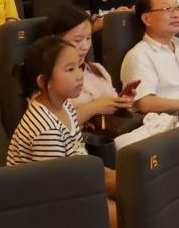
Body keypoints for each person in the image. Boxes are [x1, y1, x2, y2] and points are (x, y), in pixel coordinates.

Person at [6, 36, 120, 228]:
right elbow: (56, 192)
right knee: (126, 214)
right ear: (44, 81)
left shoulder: (65, 105)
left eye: (79, 66)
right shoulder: (46, 130)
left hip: (71, 181)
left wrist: (110, 177)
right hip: (42, 205)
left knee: (135, 186)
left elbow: (78, 154)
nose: (80, 75)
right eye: (69, 69)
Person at [43, 5, 133, 126]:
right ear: (56, 41)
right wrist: (94, 108)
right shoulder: (47, 80)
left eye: (88, 38)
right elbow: (51, 125)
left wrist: (122, 104)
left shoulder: (97, 69)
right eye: (77, 40)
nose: (85, 46)